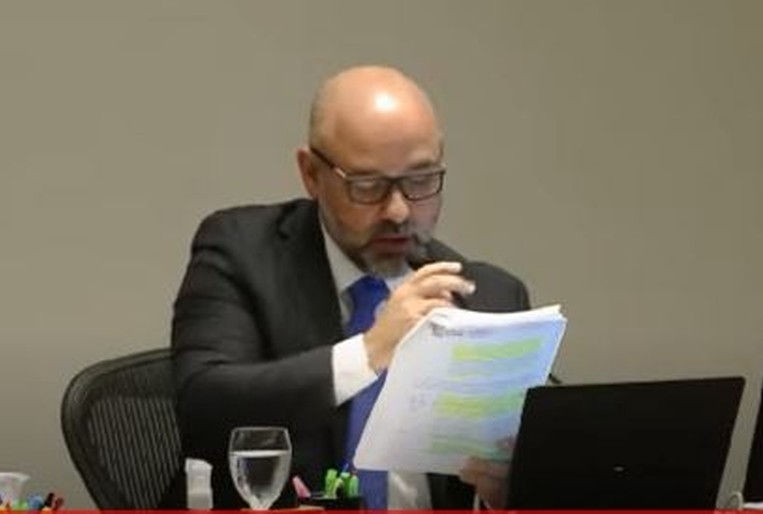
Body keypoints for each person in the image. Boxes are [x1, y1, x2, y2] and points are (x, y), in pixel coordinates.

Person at [171, 65, 528, 509]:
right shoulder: (243, 252)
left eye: (420, 181)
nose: (398, 211)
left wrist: (501, 493)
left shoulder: (489, 298)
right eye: (368, 185)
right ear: (311, 174)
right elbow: (203, 405)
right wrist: (370, 350)